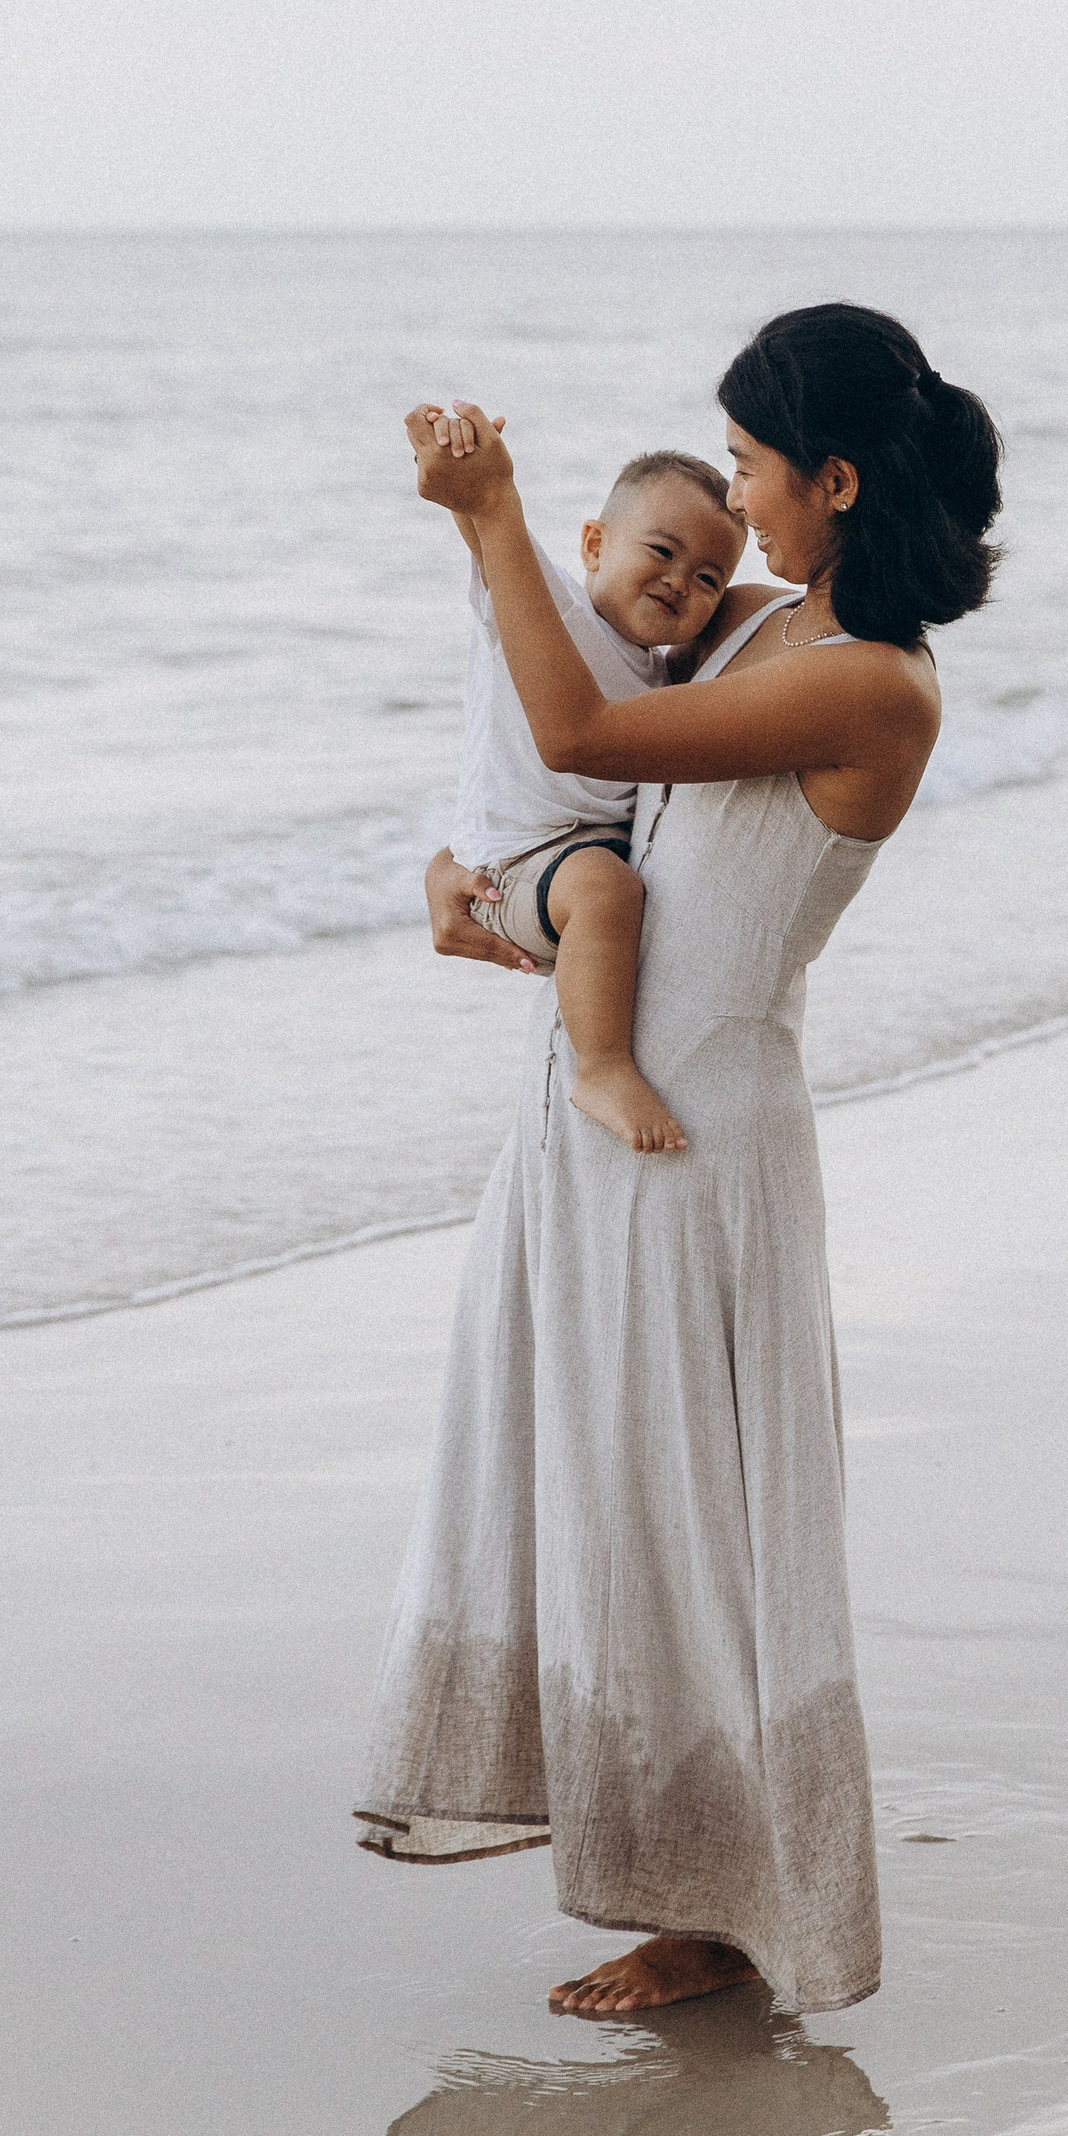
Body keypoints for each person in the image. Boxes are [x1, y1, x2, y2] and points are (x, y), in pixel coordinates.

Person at [356, 303, 1002, 2024]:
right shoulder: (771, 616)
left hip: (701, 1137)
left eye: (749, 464)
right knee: (607, 1498)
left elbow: (581, 727)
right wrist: (489, 893)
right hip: (606, 1110)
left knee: (695, 1523)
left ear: (837, 479)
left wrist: (493, 518)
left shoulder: (870, 687)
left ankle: (730, 1920)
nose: (732, 494)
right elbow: (600, 815)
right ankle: (681, 1885)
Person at [432, 442, 746, 1154]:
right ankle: (601, 1068)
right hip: (512, 867)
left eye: (708, 578)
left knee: (606, 879)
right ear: (595, 544)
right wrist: (463, 453)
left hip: (570, 861)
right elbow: (487, 530)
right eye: (661, 551)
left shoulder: (664, 675)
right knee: (607, 887)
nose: (678, 582)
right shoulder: (554, 610)